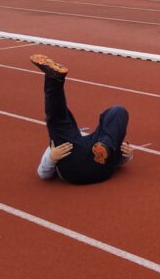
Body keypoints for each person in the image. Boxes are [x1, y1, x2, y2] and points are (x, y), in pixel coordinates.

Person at [30, 54, 132, 184]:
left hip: (85, 163)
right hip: (96, 167)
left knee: (117, 111)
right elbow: (43, 173)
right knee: (118, 112)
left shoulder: (65, 143)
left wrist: (51, 157)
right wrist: (127, 155)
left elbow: (43, 174)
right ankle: (107, 145)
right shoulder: (65, 144)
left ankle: (54, 79)